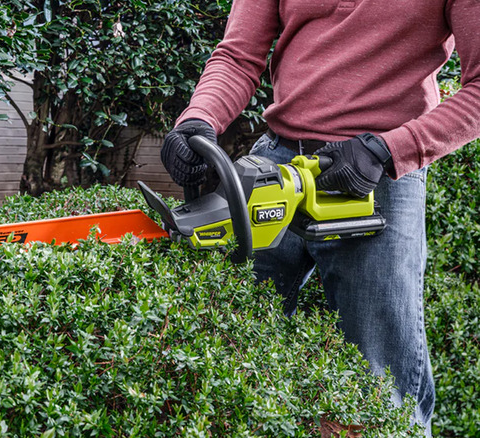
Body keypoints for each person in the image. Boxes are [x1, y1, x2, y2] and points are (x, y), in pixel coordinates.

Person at [159, 1, 480, 435]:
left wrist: (388, 150)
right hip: (277, 162)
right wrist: (198, 120)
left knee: (380, 385)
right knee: (221, 349)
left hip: (377, 176)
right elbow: (238, 54)